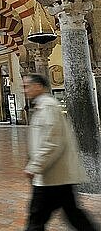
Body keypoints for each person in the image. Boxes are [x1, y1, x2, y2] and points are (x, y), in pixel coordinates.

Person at [22, 74, 98, 231]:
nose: (25, 90)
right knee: (74, 215)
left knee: (36, 218)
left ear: (39, 86)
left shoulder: (48, 106)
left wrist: (35, 166)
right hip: (57, 175)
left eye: (27, 86)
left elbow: (52, 141)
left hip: (52, 175)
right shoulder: (43, 106)